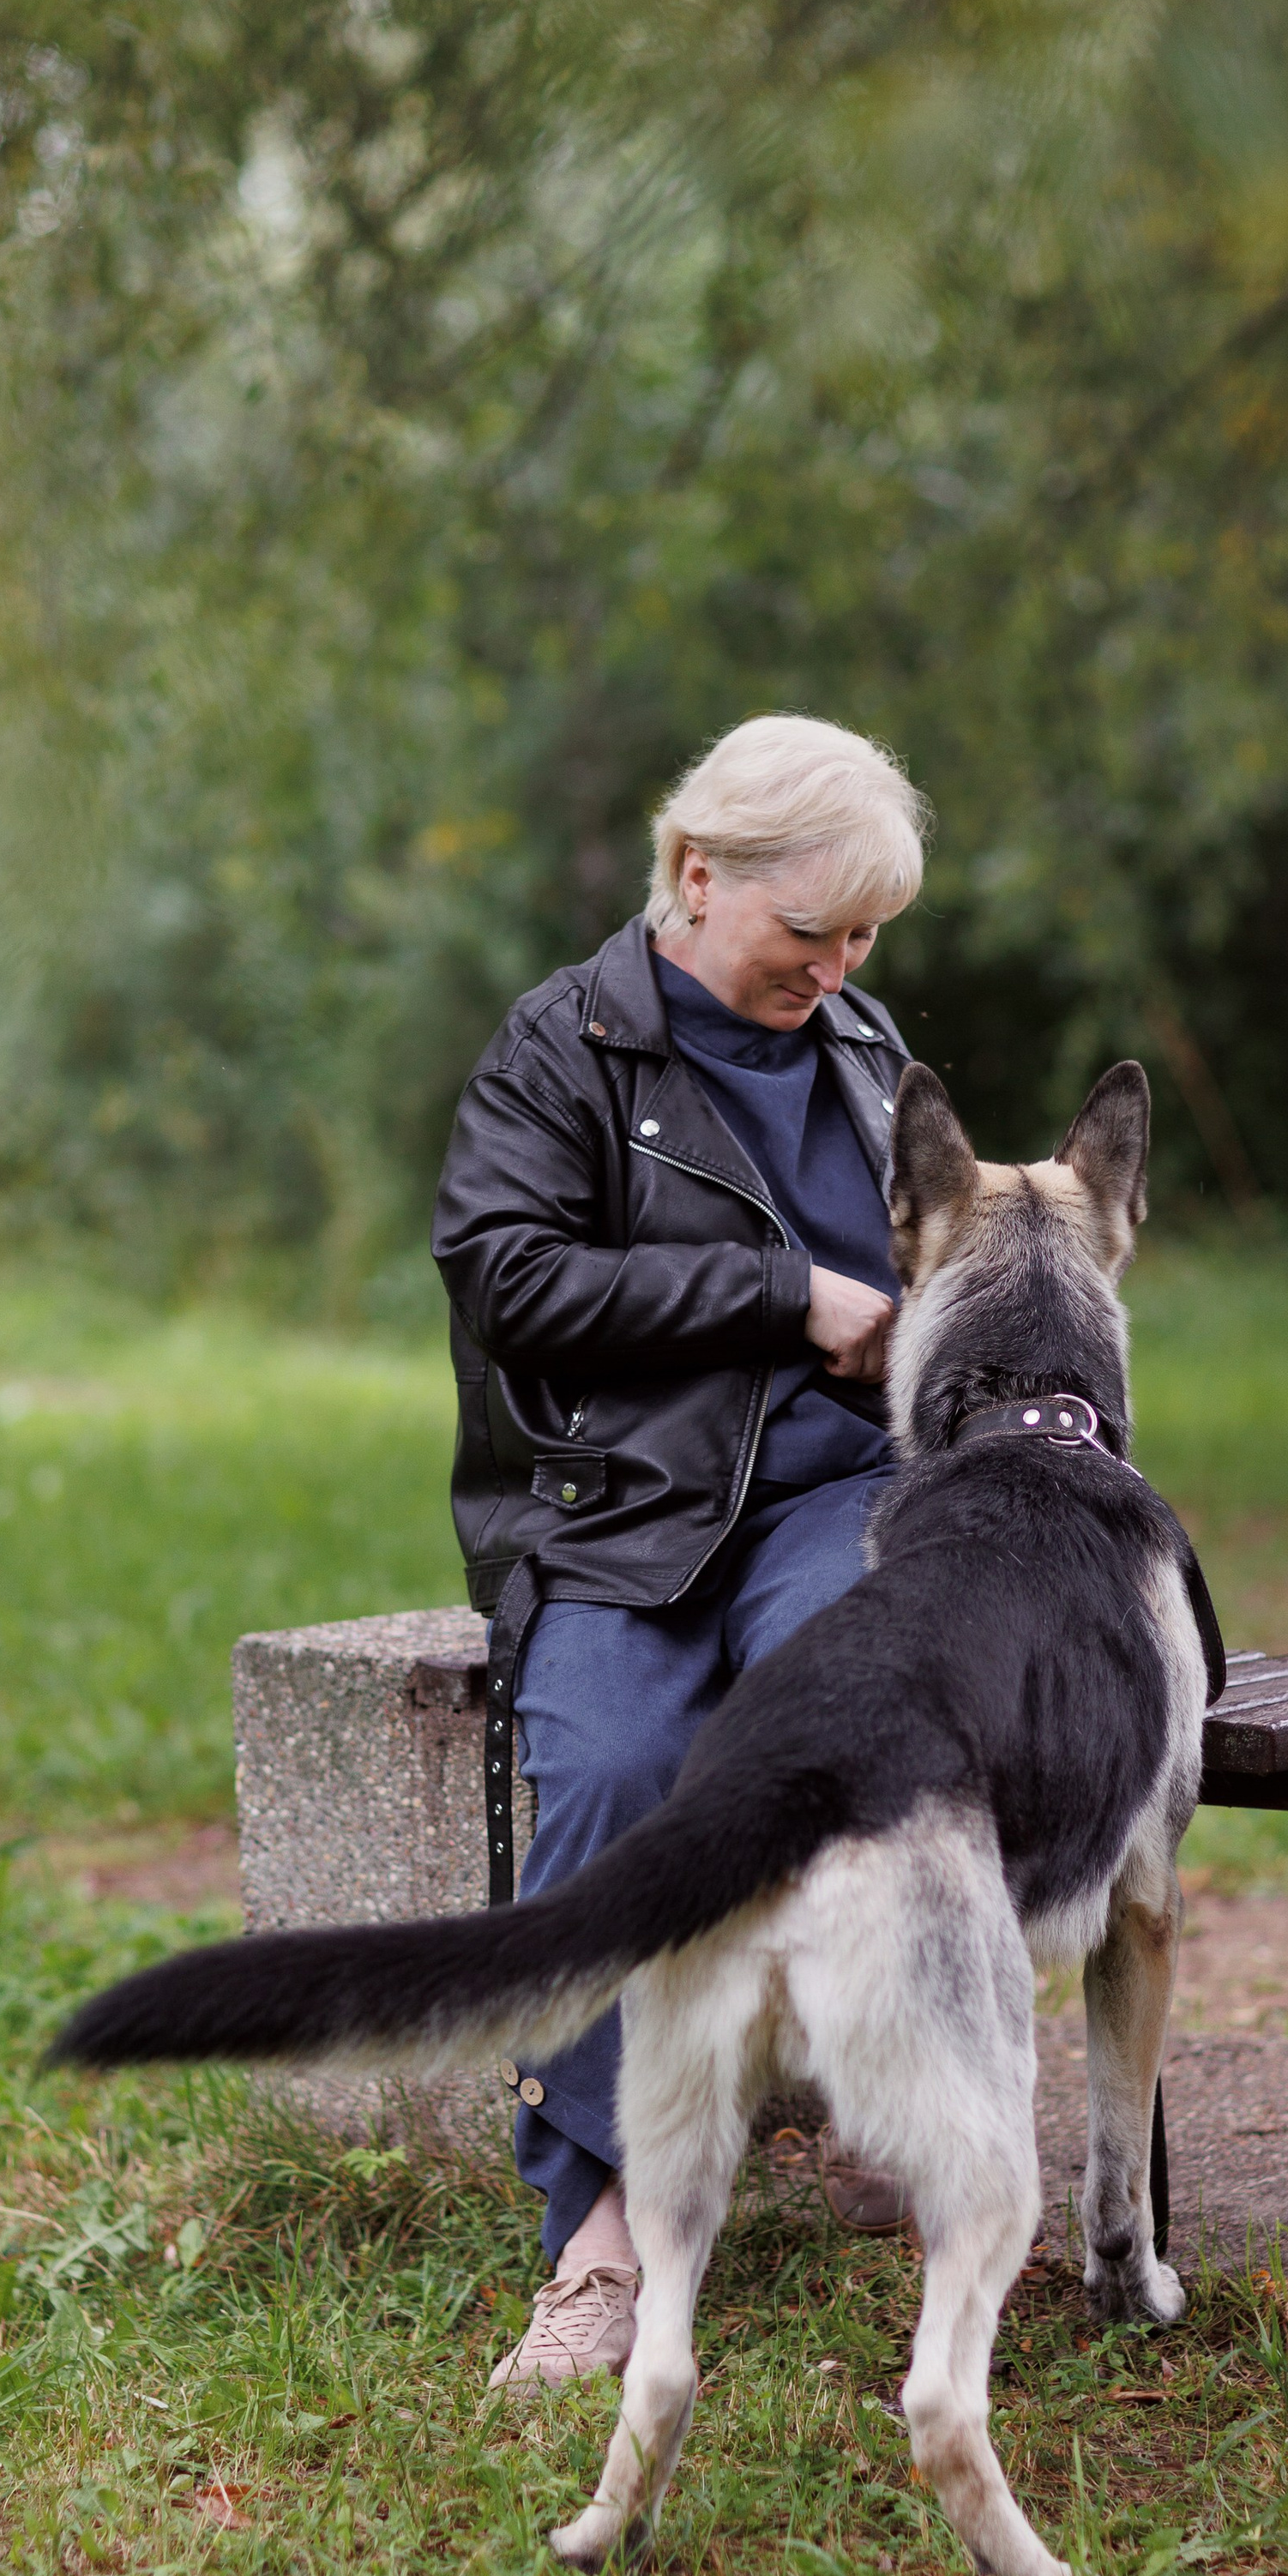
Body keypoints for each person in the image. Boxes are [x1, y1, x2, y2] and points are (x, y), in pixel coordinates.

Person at [430, 713, 929, 2385]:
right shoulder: (561, 1046)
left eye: (862, 935)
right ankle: (601, 2233)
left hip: (824, 1501)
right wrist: (779, 1293)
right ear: (698, 877)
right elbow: (505, 1279)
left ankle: (853, 2112)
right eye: (810, 930)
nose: (837, 964)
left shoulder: (863, 1048)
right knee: (608, 1771)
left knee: (821, 1733)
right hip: (617, 1518)